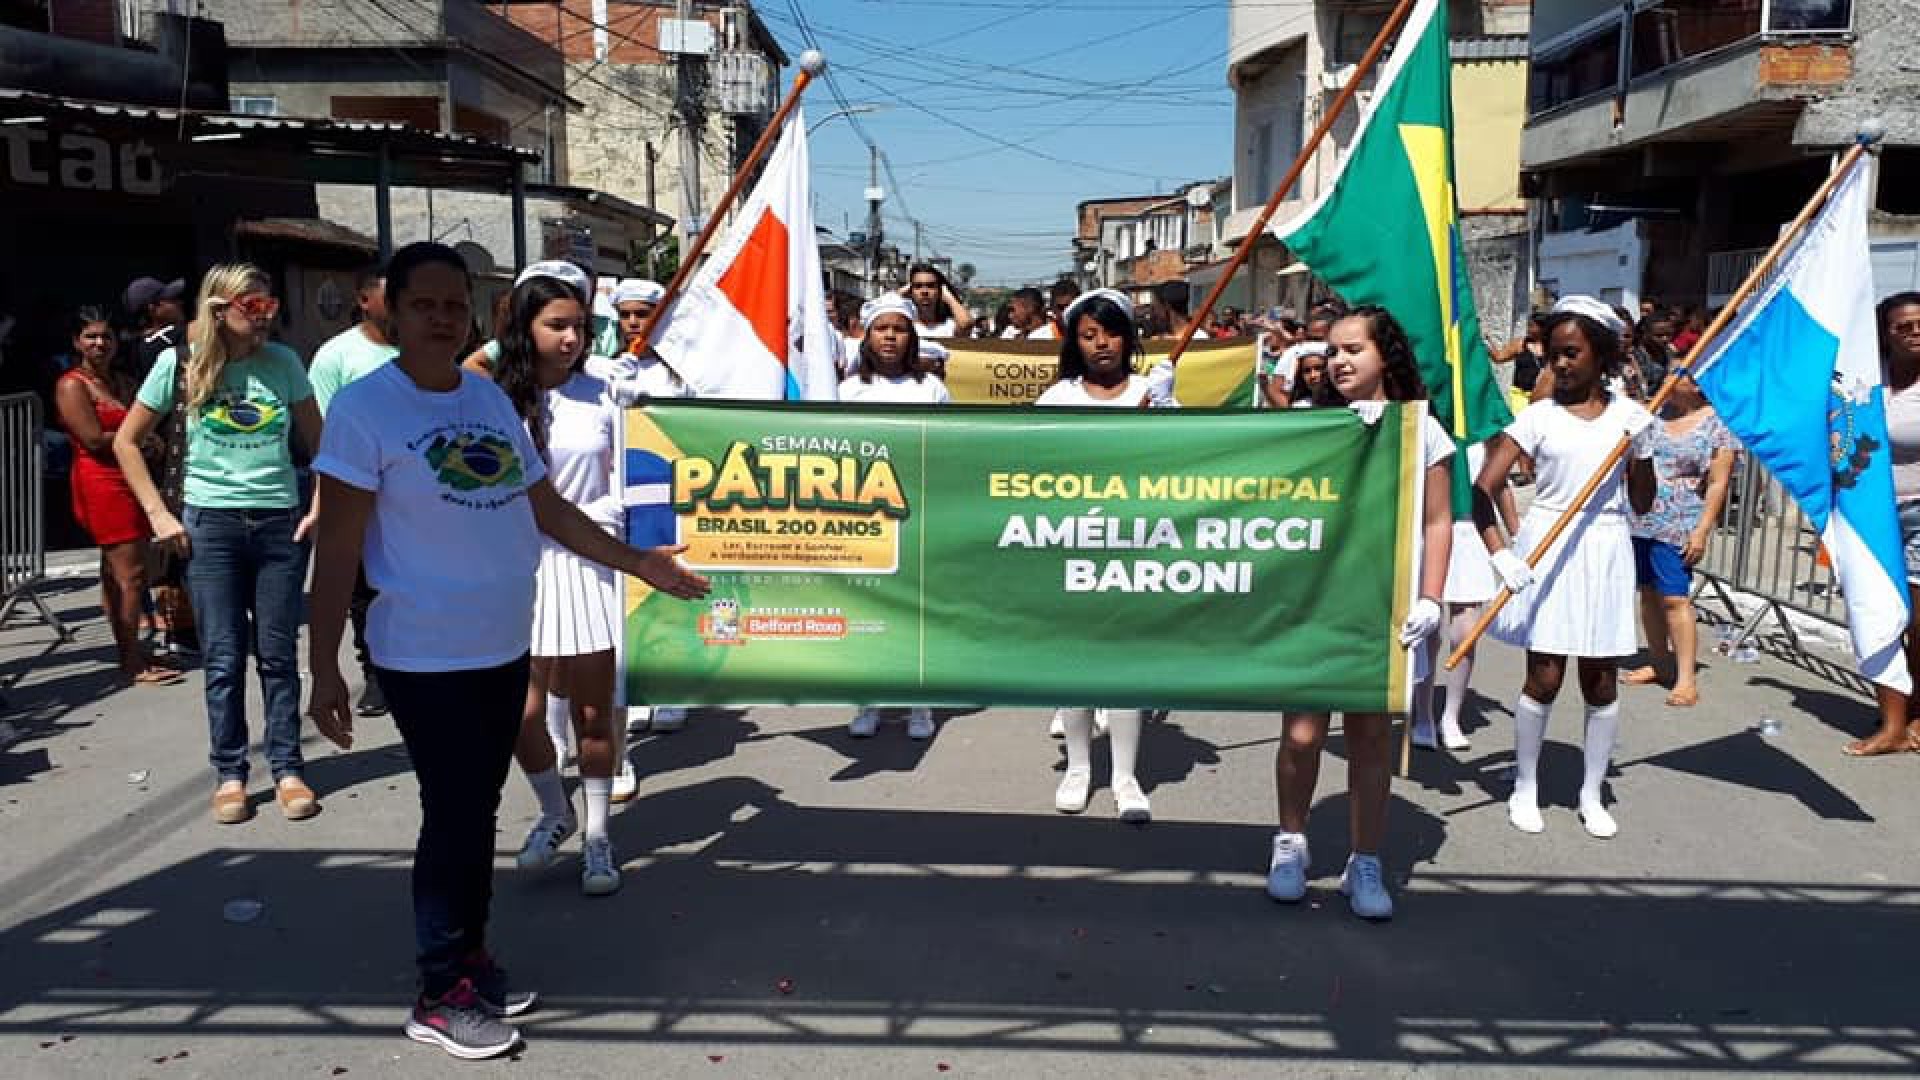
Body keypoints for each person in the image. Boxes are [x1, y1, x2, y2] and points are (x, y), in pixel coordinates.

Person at [304, 242, 709, 1060]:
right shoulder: (367, 410)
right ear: (387, 307)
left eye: (455, 304)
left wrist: (638, 564)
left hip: (501, 643)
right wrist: (323, 668)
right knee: (452, 819)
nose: (441, 318)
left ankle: (469, 958)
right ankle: (438, 988)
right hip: (424, 656)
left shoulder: (486, 403)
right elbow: (339, 548)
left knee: (476, 813)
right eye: (424, 304)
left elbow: (546, 507)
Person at [113, 264, 325, 826]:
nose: (263, 318)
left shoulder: (283, 364)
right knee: (225, 659)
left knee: (278, 657)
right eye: (251, 307)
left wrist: (320, 504)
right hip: (213, 527)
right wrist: (159, 513)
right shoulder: (178, 365)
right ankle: (230, 773)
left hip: (279, 524)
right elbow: (126, 441)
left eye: (269, 306)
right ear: (217, 310)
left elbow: (322, 442)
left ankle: (287, 767)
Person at [1266, 306, 1452, 921]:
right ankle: (1291, 842)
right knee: (1302, 733)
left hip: (1385, 604)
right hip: (1316, 602)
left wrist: (1430, 596)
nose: (1340, 361)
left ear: (1385, 357)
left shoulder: (1422, 431)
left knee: (1370, 736)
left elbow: (1436, 520)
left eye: (1354, 350)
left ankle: (1363, 860)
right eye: (1333, 350)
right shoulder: (1307, 423)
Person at [1472, 296, 1657, 839]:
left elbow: (1643, 503)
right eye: (1554, 355)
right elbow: (1482, 489)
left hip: (1604, 546)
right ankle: (1524, 785)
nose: (1560, 365)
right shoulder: (1536, 417)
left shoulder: (1629, 417)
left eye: (1571, 353)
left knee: (1600, 681)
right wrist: (1501, 553)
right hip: (1547, 547)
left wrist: (1643, 451)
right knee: (1545, 675)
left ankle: (1591, 792)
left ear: (1600, 356)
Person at [485, 273, 632, 895]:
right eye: (556, 325)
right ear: (524, 328)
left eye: (580, 325)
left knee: (596, 715)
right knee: (519, 712)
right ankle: (555, 810)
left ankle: (598, 837)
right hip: (520, 563)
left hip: (592, 561)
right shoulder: (490, 399)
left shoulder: (609, 393)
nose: (573, 338)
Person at [1035, 289, 1174, 822]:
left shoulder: (1150, 390)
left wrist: (1165, 411)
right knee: (1074, 663)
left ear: (1128, 337)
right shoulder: (1058, 398)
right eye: (1089, 336)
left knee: (1124, 664)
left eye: (1111, 333)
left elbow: (1190, 462)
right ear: (1075, 342)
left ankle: (1125, 775)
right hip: (1072, 540)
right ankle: (1078, 768)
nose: (1101, 345)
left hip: (1135, 543)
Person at [838, 294, 948, 739]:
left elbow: (948, 449)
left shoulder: (931, 389)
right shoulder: (847, 391)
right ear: (866, 335)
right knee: (866, 608)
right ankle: (869, 699)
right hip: (862, 513)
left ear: (912, 336)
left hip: (916, 510)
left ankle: (919, 702)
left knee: (913, 611)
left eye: (899, 329)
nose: (890, 336)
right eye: (881, 328)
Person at [52, 307, 181, 687]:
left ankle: (132, 650)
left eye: (105, 336)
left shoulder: (122, 381)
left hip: (132, 475)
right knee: (131, 574)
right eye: (90, 336)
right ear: (77, 342)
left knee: (118, 572)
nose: (99, 343)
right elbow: (92, 438)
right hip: (102, 482)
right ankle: (131, 660)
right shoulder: (71, 385)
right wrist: (143, 439)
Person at [308, 266, 400, 718]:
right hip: (361, 489)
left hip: (413, 493)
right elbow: (323, 431)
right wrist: (324, 502)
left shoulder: (420, 351)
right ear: (364, 300)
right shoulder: (336, 356)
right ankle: (376, 673)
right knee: (364, 587)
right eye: (390, 295)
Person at [1622, 374, 1736, 707]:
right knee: (1648, 594)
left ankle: (1686, 679)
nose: (1669, 380)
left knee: (1675, 598)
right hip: (1641, 515)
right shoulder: (1653, 415)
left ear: (1698, 384)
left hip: (1680, 521)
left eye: (1678, 376)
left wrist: (1702, 530)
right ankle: (1659, 663)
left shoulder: (1718, 424)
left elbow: (1718, 482)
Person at [1410, 441, 1519, 752]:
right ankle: (1422, 715)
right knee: (1426, 628)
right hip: (1427, 526)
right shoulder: (1424, 418)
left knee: (1466, 629)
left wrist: (1517, 535)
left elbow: (1497, 485)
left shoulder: (1483, 424)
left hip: (1470, 528)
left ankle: (1451, 716)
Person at [1849, 291, 1920, 755]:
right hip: (1871, 517)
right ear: (1885, 334)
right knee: (1879, 621)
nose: (1914, 333)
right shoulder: (1867, 384)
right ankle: (1894, 723)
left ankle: (1914, 716)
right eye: (1903, 327)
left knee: (1918, 624)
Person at [123, 276, 188, 378]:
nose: (180, 302)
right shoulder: (176, 335)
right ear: (152, 308)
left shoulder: (134, 347)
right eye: (172, 299)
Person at [904, 263, 975, 340]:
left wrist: (949, 297)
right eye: (918, 286)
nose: (924, 291)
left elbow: (966, 325)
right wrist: (900, 293)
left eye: (931, 286)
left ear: (940, 291)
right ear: (910, 291)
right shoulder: (904, 326)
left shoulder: (949, 326)